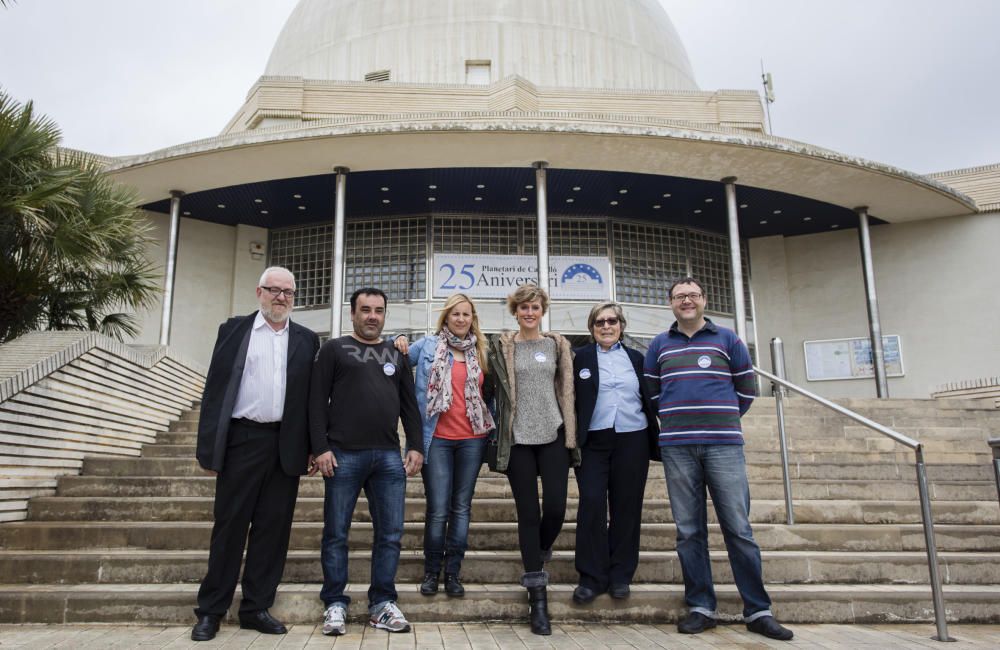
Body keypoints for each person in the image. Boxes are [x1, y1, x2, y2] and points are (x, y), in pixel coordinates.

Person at [643, 277, 793, 641]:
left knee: (738, 529)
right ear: (671, 304)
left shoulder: (728, 339)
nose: (687, 301)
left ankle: (758, 610)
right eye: (680, 296)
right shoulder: (659, 345)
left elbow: (746, 391)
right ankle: (700, 606)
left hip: (723, 444)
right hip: (677, 446)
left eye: (693, 295)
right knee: (689, 530)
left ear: (704, 300)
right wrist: (680, 418)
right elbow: (652, 392)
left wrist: (719, 417)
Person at [191, 267, 320, 642]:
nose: (281, 297)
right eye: (274, 290)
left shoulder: (307, 339)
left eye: (288, 292)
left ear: (294, 297)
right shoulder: (233, 330)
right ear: (259, 292)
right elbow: (214, 392)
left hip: (286, 445)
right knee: (229, 528)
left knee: (273, 531)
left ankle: (255, 608)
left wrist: (313, 446)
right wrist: (209, 450)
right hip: (242, 442)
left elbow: (312, 400)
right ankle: (211, 611)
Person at [309, 287, 423, 636]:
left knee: (390, 534)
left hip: (388, 457)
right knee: (335, 533)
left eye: (378, 310)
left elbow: (409, 405)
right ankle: (334, 604)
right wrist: (320, 447)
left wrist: (416, 445)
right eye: (366, 310)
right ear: (353, 313)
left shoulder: (396, 352)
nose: (372, 316)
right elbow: (315, 401)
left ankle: (382, 605)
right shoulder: (333, 349)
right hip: (342, 455)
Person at [487, 284, 578, 636]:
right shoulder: (503, 346)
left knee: (555, 508)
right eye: (523, 307)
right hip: (518, 440)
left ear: (543, 311)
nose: (529, 312)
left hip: (553, 435)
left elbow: (566, 388)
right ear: (515, 311)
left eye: (535, 307)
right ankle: (537, 598)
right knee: (528, 514)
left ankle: (538, 549)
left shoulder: (557, 344)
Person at [393, 294, 493, 598]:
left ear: (472, 318)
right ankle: (431, 571)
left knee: (461, 508)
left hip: (472, 440)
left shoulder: (483, 351)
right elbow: (390, 360)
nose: (461, 319)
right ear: (446, 317)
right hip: (435, 439)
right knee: (437, 509)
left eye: (466, 314)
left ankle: (453, 573)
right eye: (455, 314)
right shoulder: (426, 346)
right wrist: (397, 338)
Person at [571, 302, 659, 605]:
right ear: (591, 328)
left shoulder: (638, 358)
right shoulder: (579, 358)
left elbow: (652, 396)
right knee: (592, 504)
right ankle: (591, 577)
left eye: (612, 321)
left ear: (621, 325)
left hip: (633, 439)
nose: (606, 326)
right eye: (599, 322)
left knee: (626, 507)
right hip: (594, 441)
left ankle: (621, 575)